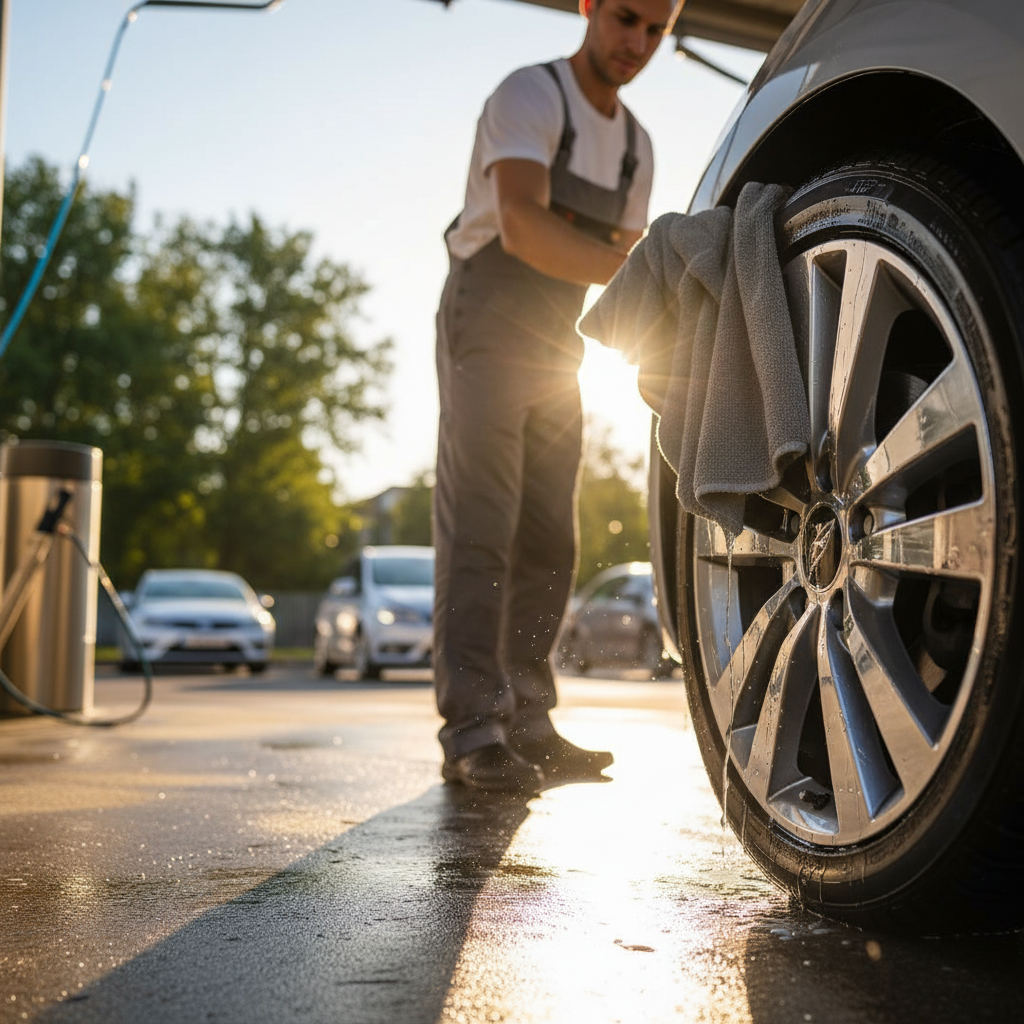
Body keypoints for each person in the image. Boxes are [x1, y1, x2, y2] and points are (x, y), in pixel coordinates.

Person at [434, 0, 674, 793]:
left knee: (549, 535)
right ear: (590, 7)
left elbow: (628, 265)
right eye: (626, 19)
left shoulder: (637, 146)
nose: (636, 43)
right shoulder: (530, 96)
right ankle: (474, 729)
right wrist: (641, 272)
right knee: (483, 524)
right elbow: (524, 227)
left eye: (656, 29)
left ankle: (530, 722)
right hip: (489, 313)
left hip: (556, 337)